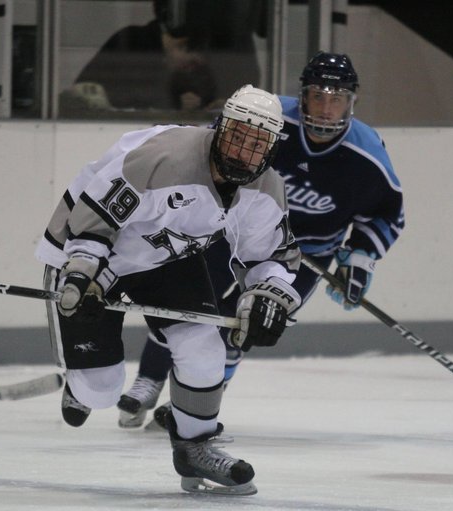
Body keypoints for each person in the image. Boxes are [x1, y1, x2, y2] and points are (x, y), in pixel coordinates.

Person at [35, 84, 301, 495]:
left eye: (256, 144)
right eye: (237, 136)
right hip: (99, 258)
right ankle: (83, 383)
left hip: (167, 257)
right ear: (220, 128)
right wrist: (80, 273)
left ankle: (194, 448)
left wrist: (269, 294)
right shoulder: (163, 158)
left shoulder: (265, 188)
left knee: (204, 347)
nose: (242, 152)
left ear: (270, 149)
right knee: (100, 391)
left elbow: (269, 256)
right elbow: (94, 220)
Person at [118, 52, 405, 430]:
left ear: (352, 102)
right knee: (186, 304)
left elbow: (386, 213)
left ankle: (194, 405)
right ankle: (149, 380)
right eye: (318, 96)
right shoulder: (268, 120)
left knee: (250, 323)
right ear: (302, 95)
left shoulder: (367, 155)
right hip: (233, 234)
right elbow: (213, 149)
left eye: (336, 99)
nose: (325, 107)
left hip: (303, 257)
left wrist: (362, 257)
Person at [66, 0, 259, 112]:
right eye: (192, 51)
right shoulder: (129, 43)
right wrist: (172, 104)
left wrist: (218, 106)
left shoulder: (197, 70)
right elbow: (79, 96)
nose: (198, 61)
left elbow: (217, 96)